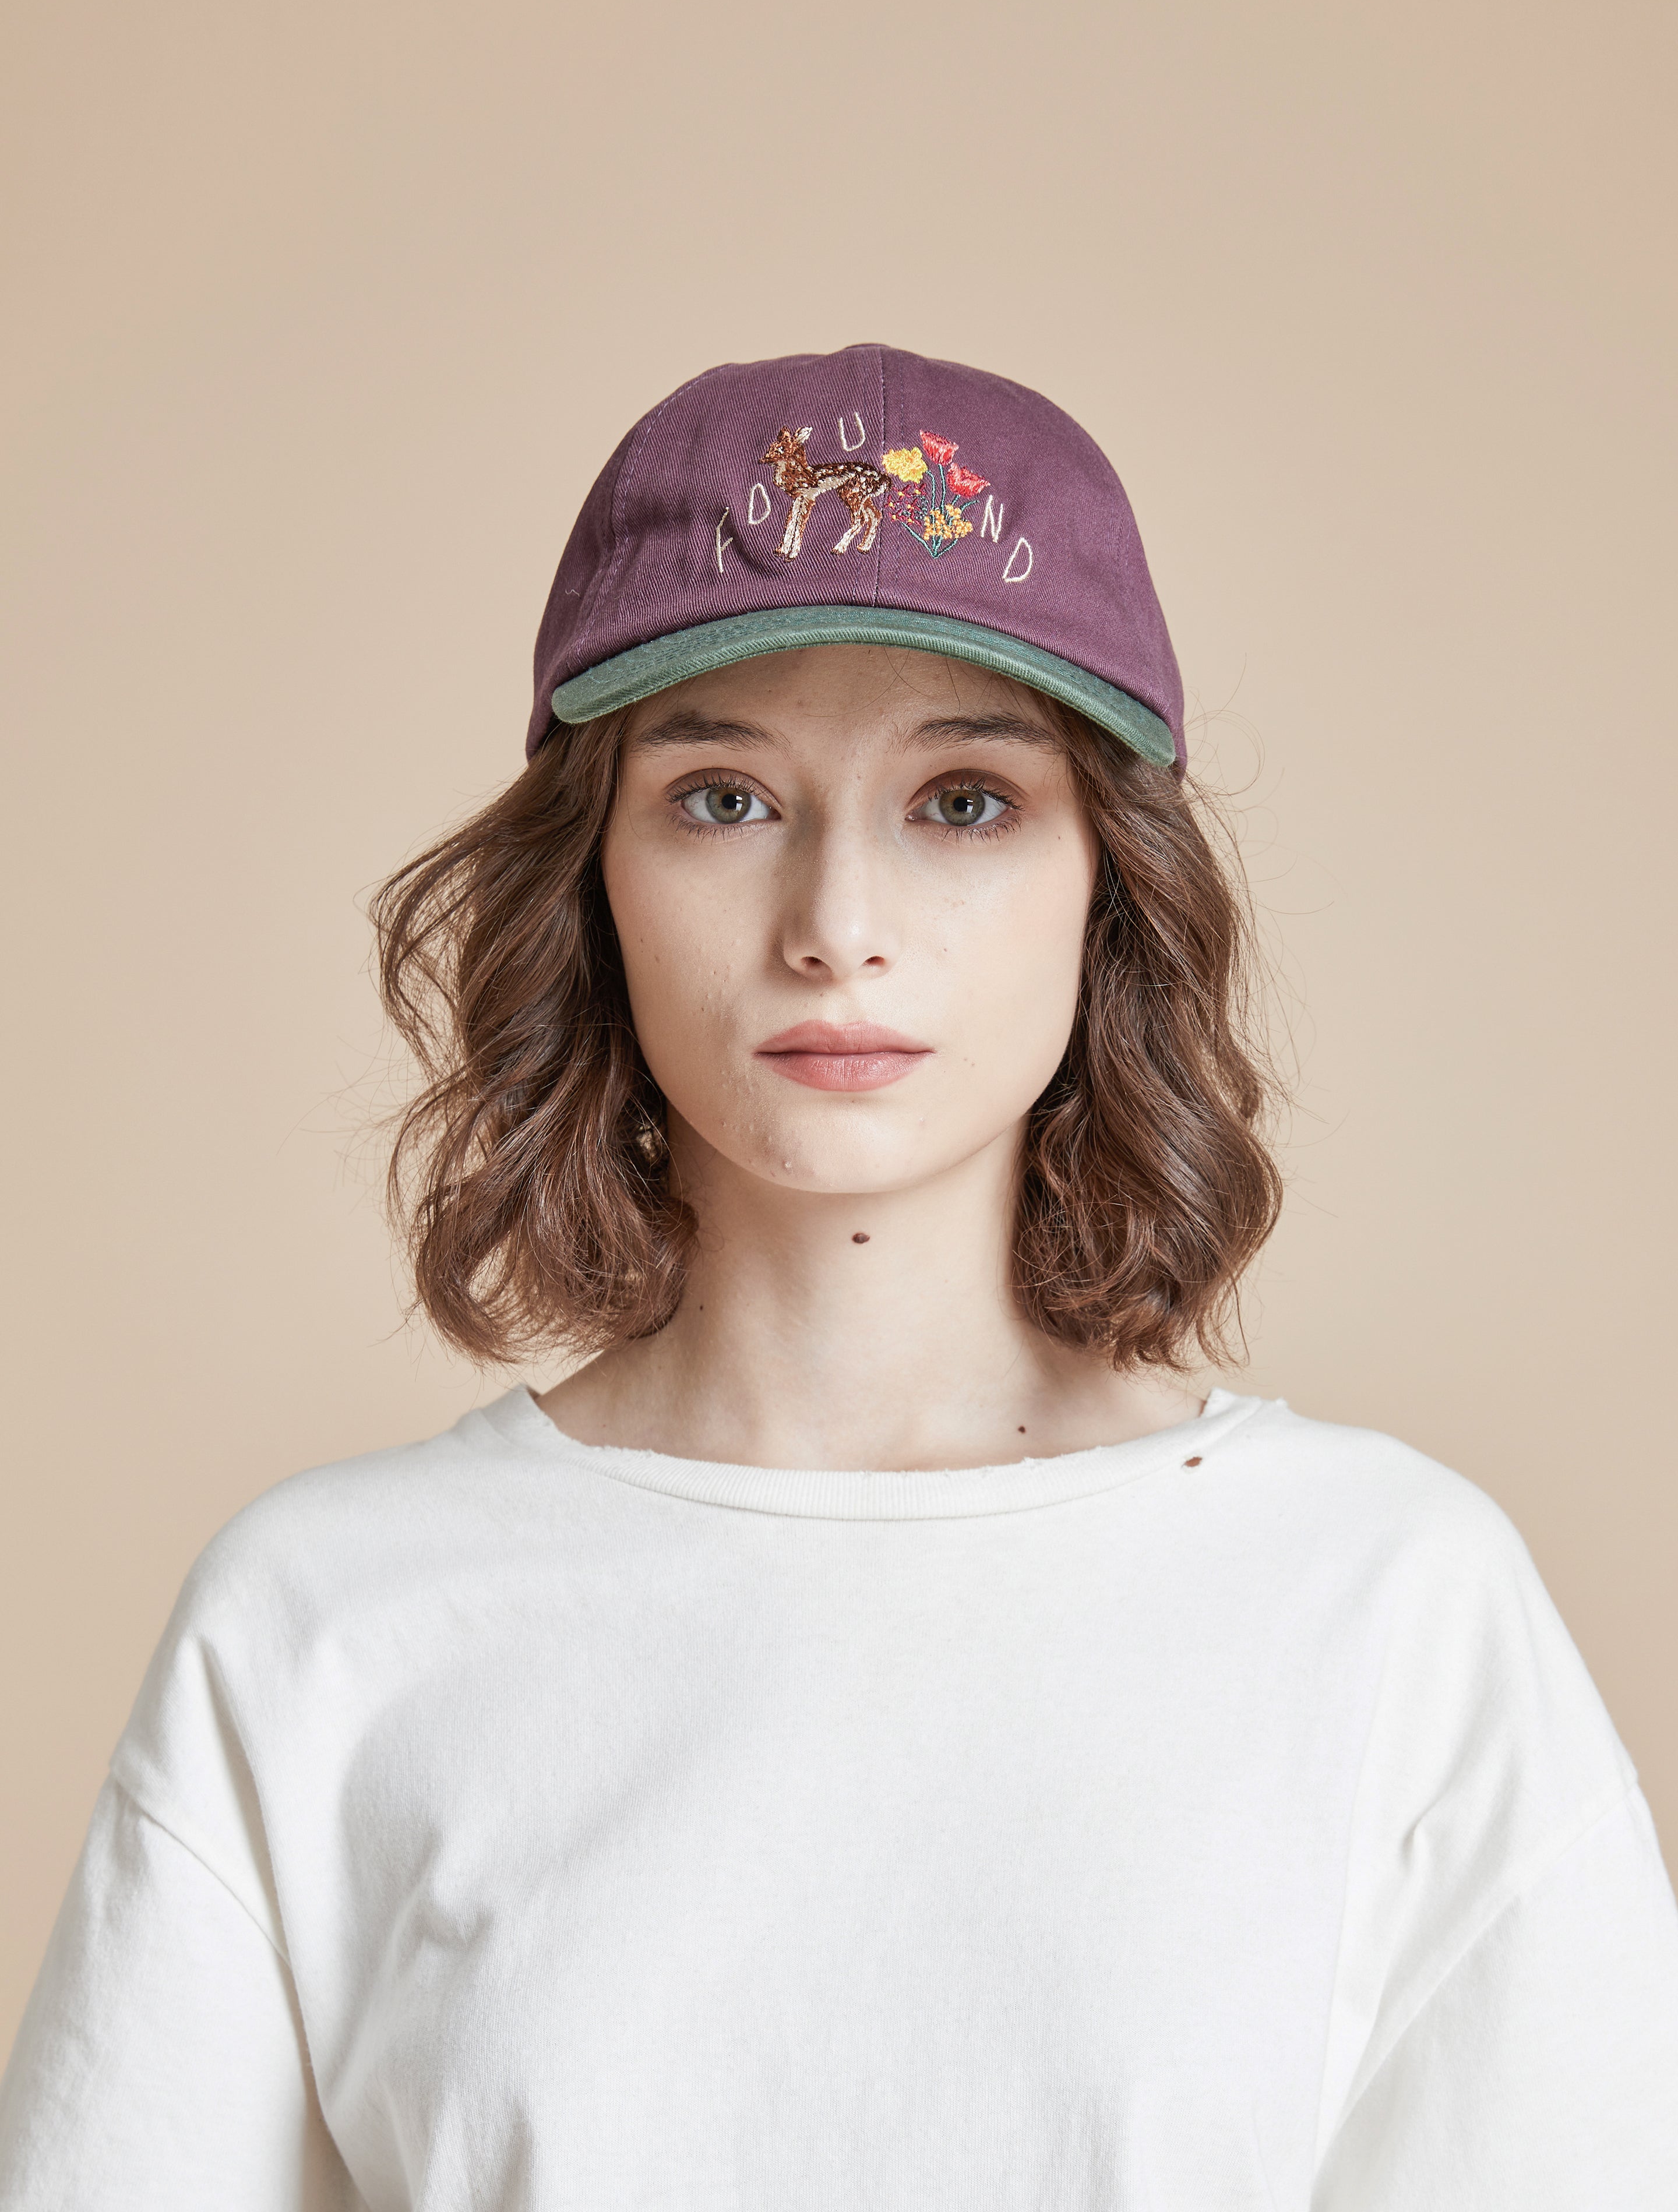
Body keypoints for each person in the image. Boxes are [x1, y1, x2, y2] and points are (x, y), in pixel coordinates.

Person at [2, 343, 1675, 2207]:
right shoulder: (322, 1628)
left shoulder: (1390, 1608)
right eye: (724, 799)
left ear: (1109, 886)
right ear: (595, 880)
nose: (837, 931)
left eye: (963, 801)